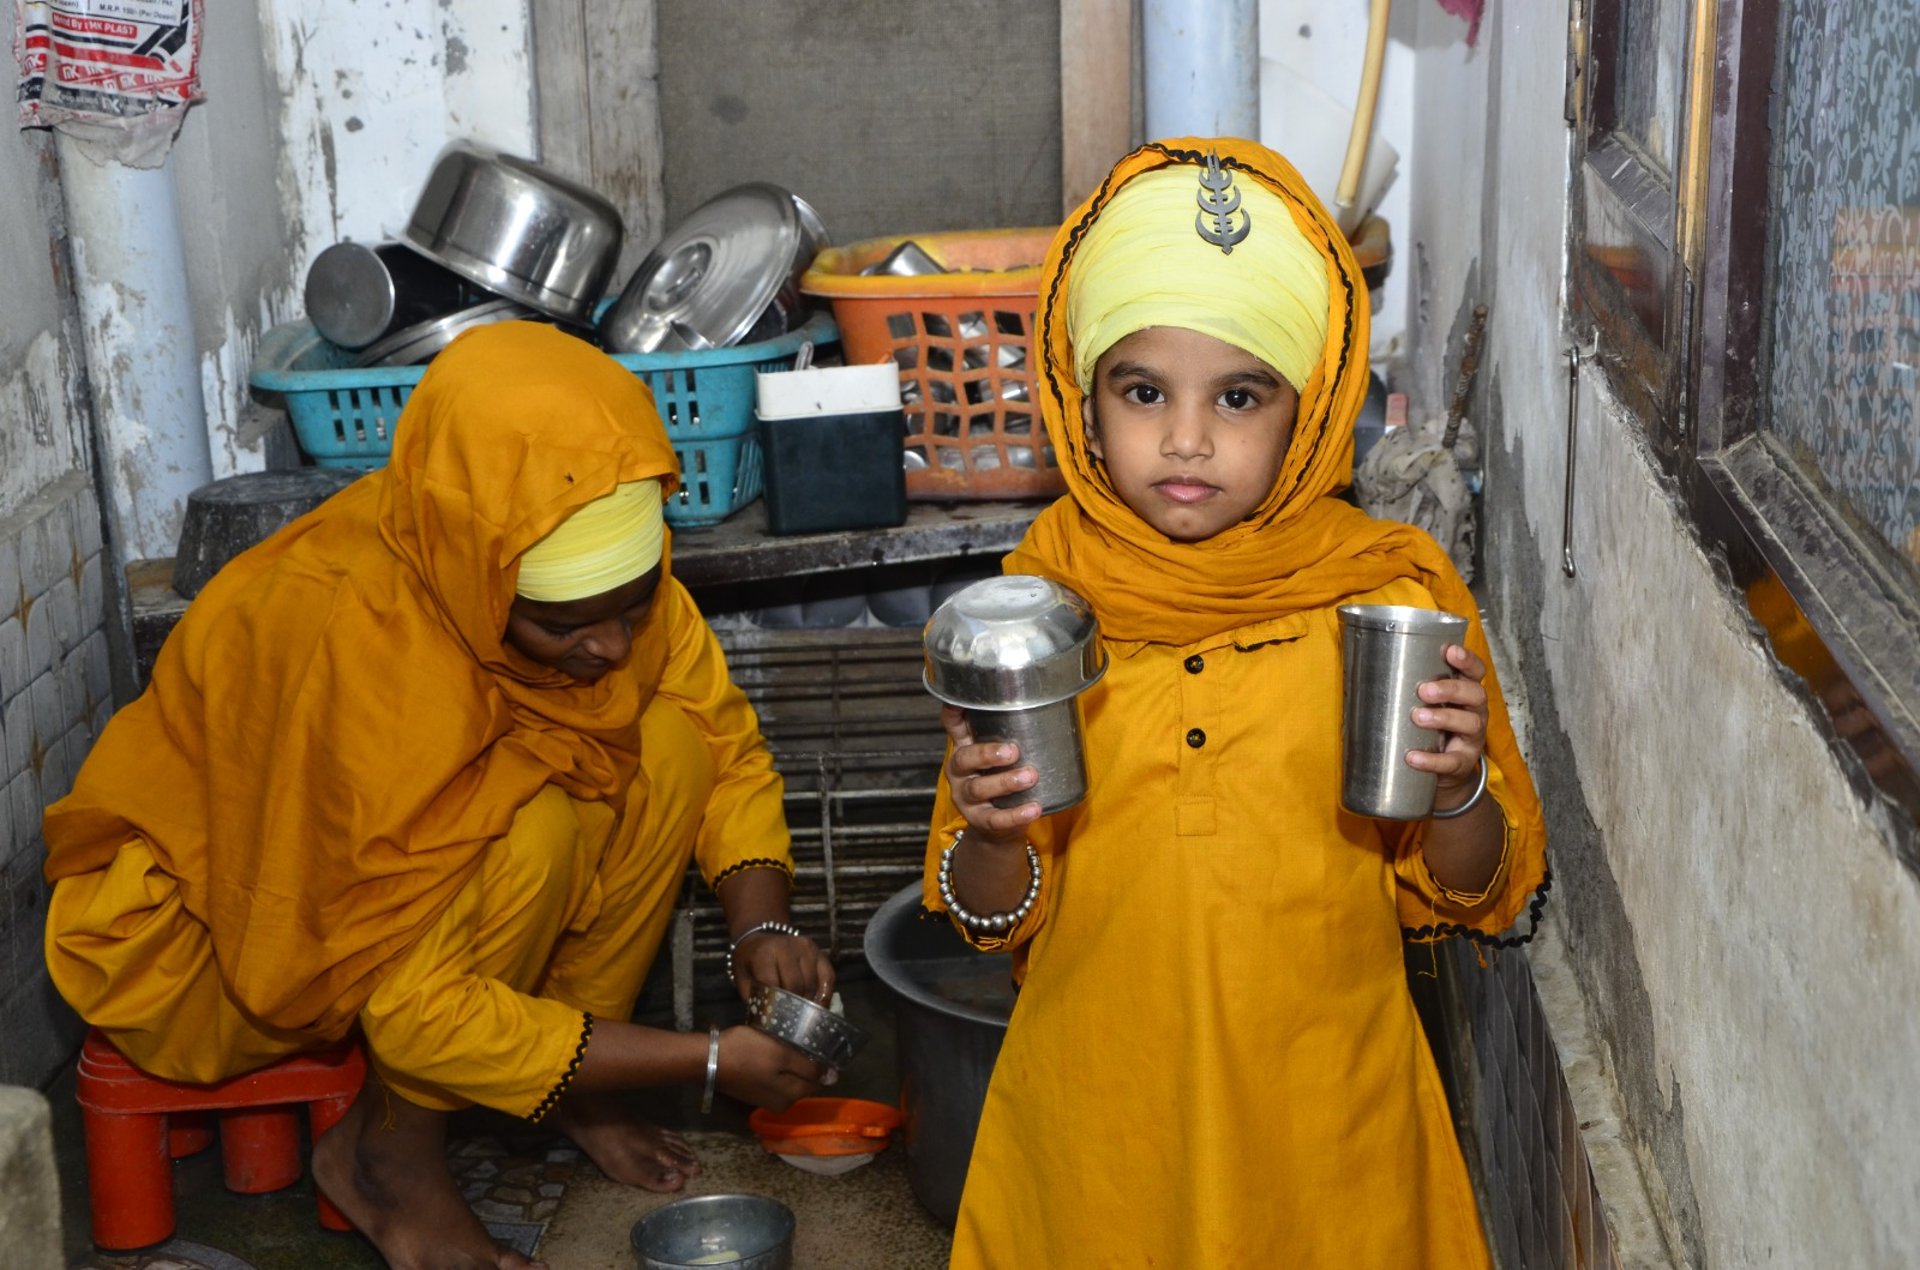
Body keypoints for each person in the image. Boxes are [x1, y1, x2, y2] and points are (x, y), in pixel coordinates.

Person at [43, 323, 832, 1270]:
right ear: (475, 573)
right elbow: (411, 1008)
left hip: (412, 937)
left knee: (659, 747)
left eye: (633, 609)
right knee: (535, 824)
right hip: (211, 950)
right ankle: (389, 1160)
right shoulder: (360, 653)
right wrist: (704, 1058)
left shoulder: (595, 568)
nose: (613, 649)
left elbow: (717, 736)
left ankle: (570, 1081)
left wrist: (760, 926)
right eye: (560, 626)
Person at [925, 137, 1549, 1267]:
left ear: (1309, 411)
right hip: (1102, 1131)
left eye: (1242, 395)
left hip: (1327, 1130)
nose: (1187, 439)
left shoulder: (1384, 600)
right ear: (1082, 395)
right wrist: (987, 822)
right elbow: (989, 914)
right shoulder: (1041, 609)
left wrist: (1456, 790)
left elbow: (1471, 894)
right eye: (1144, 389)